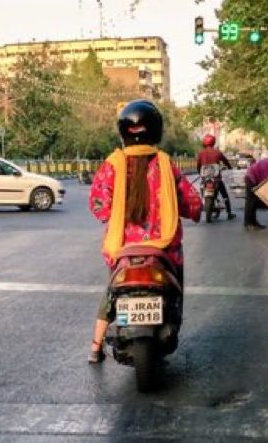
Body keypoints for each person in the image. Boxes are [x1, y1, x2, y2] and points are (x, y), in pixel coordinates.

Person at [87, 99, 202, 363]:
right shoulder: (166, 164)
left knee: (114, 290)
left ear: (123, 132)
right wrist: (195, 211)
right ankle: (171, 321)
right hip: (164, 248)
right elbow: (189, 200)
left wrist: (114, 217)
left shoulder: (112, 165)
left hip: (123, 247)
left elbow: (98, 206)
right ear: (156, 130)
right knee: (174, 289)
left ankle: (95, 347)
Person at [196, 134, 236, 220]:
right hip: (216, 178)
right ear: (213, 142)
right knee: (224, 195)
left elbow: (198, 165)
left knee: (202, 189)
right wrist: (229, 167)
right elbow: (226, 161)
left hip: (205, 179)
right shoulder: (218, 152)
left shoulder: (201, 153)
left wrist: (199, 173)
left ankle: (205, 202)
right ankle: (229, 213)